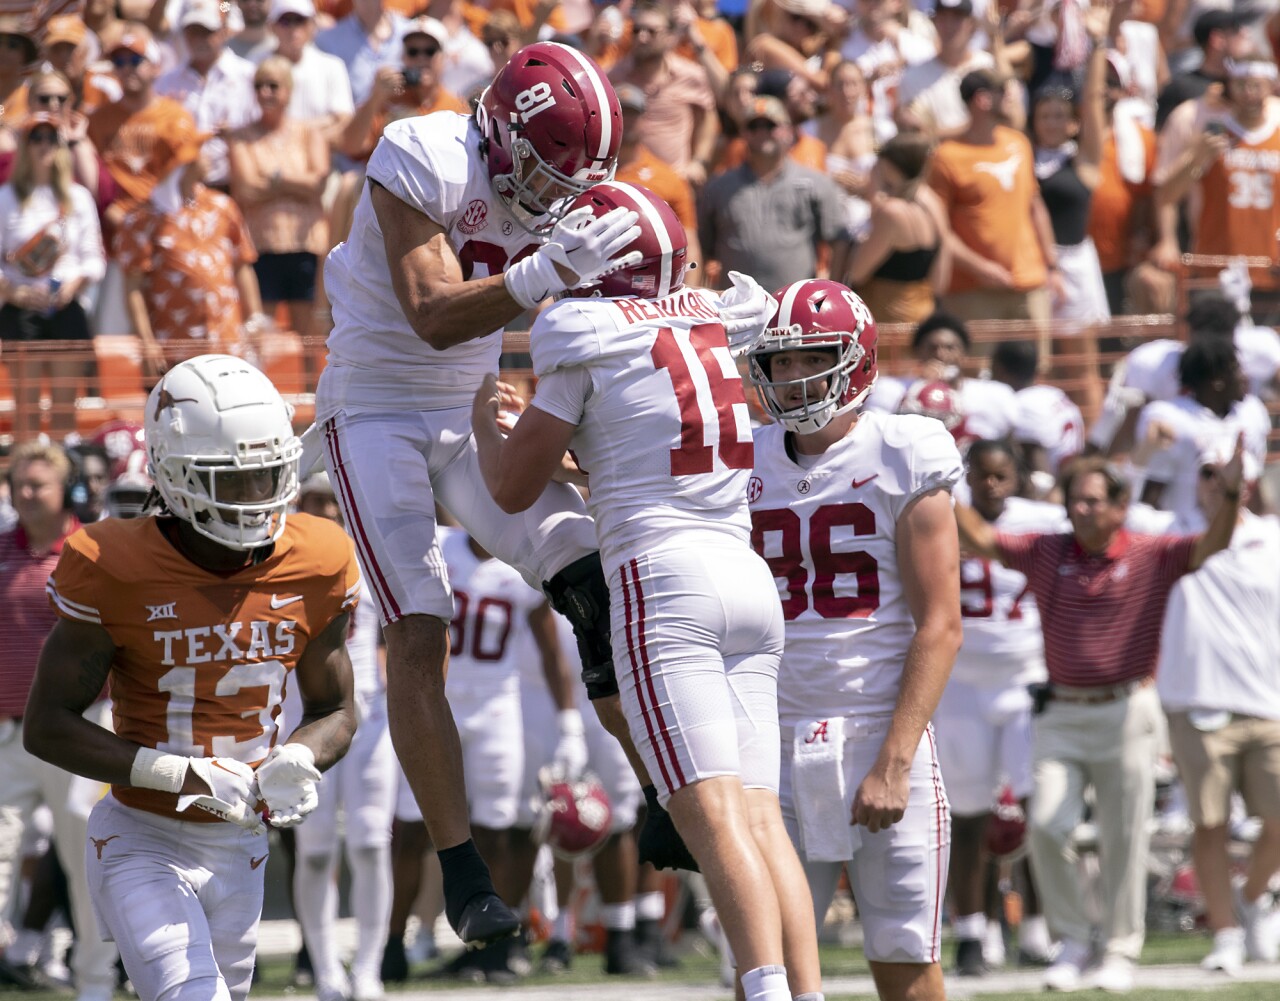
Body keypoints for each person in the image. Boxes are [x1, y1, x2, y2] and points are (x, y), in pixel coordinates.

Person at [315, 40, 690, 948]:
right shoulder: (422, 153)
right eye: (547, 173)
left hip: (475, 400)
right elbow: (434, 314)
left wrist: (697, 313)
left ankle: (660, 788)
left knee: (596, 582)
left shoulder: (565, 183)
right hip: (374, 408)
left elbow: (621, 306)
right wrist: (538, 276)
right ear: (501, 129)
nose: (561, 199)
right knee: (417, 622)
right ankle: (462, 869)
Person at [470, 181, 822, 1001]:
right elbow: (628, 455)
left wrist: (488, 421)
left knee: (713, 816)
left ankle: (767, 991)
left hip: (665, 589)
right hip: (744, 575)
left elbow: (512, 489)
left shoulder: (579, 328)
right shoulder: (705, 316)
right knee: (763, 819)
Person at [21, 354, 360, 1001]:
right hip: (142, 834)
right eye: (230, 481)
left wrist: (298, 754)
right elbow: (48, 724)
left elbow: (336, 707)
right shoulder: (112, 561)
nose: (256, 498)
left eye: (267, 475)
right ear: (172, 474)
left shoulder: (318, 557)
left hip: (241, 843)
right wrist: (183, 772)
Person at [954, 446, 1247, 992]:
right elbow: (981, 539)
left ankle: (1118, 950)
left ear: (1120, 504)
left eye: (1092, 501)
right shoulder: (1046, 551)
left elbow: (1213, 543)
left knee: (1124, 836)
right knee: (1045, 826)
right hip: (1061, 710)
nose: (1081, 510)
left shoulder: (1151, 553)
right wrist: (941, 483)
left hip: (1127, 708)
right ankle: (1073, 941)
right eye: (1073, 501)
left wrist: (1230, 493)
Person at [745, 279, 962, 1001]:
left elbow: (940, 622)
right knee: (764, 970)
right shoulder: (742, 458)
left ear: (857, 359)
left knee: (902, 958)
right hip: (768, 738)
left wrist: (895, 761)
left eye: (813, 357)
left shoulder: (904, 446)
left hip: (875, 725)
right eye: (780, 361)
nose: (794, 376)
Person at [932, 439, 1064, 975]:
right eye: (982, 475)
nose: (991, 484)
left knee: (1038, 811)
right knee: (966, 817)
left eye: (1001, 475)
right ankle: (971, 933)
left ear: (1017, 476)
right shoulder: (941, 515)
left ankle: (1035, 928)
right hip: (961, 683)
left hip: (1024, 679)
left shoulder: (1045, 519)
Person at [0, 441, 120, 1001]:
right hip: (7, 732)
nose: (26, 494)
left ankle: (96, 982)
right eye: (19, 483)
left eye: (37, 484)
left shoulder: (90, 548)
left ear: (66, 489)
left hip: (79, 728)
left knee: (86, 856)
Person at [1156, 443, 1280, 973]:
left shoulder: (1272, 537)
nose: (1214, 481)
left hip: (1268, 702)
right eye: (1206, 472)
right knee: (1209, 824)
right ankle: (1225, 934)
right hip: (1197, 701)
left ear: (1247, 482)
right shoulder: (1167, 532)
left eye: (1225, 474)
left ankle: (1254, 897)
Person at [290, 473, 392, 1001]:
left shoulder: (371, 559)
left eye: (333, 499)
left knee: (373, 844)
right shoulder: (278, 559)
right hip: (301, 718)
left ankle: (368, 969)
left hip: (370, 718)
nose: (326, 509)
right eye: (314, 500)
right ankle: (327, 969)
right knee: (313, 851)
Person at [0, 112, 106, 442]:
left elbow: (93, 258)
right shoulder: (6, 197)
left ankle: (64, 477)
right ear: (25, 145)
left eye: (51, 138)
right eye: (36, 138)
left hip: (65, 305)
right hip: (21, 308)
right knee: (26, 408)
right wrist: (14, 291)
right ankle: (24, 479)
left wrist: (73, 286)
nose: (44, 146)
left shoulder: (78, 198)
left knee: (64, 408)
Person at [930, 69, 1055, 322]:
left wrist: (1052, 266)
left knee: (1038, 362)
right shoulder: (946, 156)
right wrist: (980, 267)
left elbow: (1035, 206)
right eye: (1004, 93)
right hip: (973, 291)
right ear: (982, 99)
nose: (1011, 99)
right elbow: (939, 229)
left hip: (1030, 283)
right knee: (979, 363)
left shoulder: (1019, 143)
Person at [228, 55, 330, 347]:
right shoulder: (241, 136)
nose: (265, 93)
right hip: (261, 245)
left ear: (288, 89)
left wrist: (272, 178)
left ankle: (313, 392)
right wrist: (295, 181)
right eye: (259, 86)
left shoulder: (309, 132)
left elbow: (317, 184)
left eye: (273, 85)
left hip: (305, 244)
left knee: (311, 333)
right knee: (262, 334)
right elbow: (246, 189)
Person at [698, 94, 846, 291]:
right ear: (744, 133)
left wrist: (833, 289)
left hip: (795, 306)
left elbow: (839, 240)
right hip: (736, 305)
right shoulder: (719, 186)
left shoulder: (815, 183)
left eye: (770, 126)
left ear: (787, 130)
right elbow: (700, 246)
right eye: (754, 127)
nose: (762, 133)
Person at [844, 130, 950, 325]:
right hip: (923, 313)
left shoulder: (891, 212)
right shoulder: (932, 201)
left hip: (889, 320)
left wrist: (873, 191)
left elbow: (856, 273)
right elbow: (940, 278)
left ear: (889, 165)